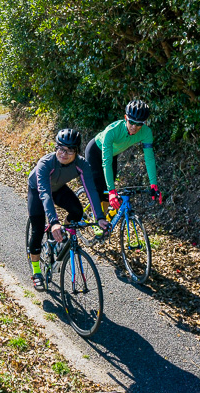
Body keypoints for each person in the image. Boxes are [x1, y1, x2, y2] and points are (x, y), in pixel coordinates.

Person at [27, 128, 108, 289]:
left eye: (70, 150)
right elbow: (44, 194)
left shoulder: (82, 164)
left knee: (77, 211)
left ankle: (61, 237)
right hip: (38, 191)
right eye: (61, 148)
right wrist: (54, 221)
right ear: (56, 147)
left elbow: (91, 191)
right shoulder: (45, 163)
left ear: (76, 151)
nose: (64, 153)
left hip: (58, 189)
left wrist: (99, 217)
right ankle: (36, 271)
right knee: (37, 228)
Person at [84, 100, 163, 218]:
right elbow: (106, 162)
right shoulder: (112, 131)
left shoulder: (146, 133)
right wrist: (111, 191)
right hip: (95, 152)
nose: (134, 127)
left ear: (144, 122)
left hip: (112, 154)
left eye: (139, 124)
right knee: (99, 189)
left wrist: (153, 184)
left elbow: (149, 158)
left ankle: (102, 218)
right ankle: (96, 219)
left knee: (107, 193)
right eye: (131, 122)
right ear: (126, 118)